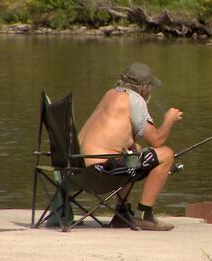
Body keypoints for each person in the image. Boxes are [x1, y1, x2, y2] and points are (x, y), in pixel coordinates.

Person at [78, 63, 183, 231]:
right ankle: (144, 214)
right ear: (144, 87)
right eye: (150, 86)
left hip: (76, 172)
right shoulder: (135, 100)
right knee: (167, 154)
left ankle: (122, 211)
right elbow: (156, 140)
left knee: (135, 149)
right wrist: (169, 120)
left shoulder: (110, 94)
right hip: (100, 176)